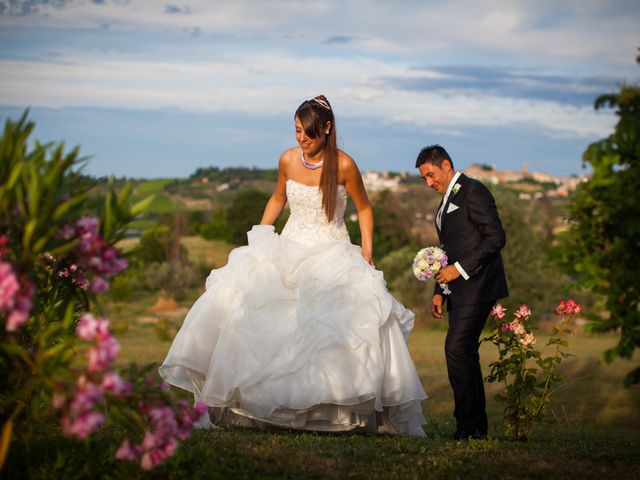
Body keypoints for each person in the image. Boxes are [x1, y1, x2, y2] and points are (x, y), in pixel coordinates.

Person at [159, 95, 426, 436]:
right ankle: (260, 407)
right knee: (263, 316)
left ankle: (331, 409)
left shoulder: (344, 165)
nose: (302, 139)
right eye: (297, 131)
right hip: (290, 244)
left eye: (309, 133)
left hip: (331, 248)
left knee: (335, 328)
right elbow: (278, 198)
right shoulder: (287, 159)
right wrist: (260, 235)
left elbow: (365, 208)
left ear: (327, 129)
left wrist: (368, 251)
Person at [415, 145, 508, 440]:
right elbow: (447, 251)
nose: (429, 183)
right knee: (465, 354)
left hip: (479, 286)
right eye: (424, 179)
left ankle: (466, 427)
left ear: (445, 164)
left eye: (430, 175)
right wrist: (439, 290)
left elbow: (496, 237)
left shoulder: (473, 190)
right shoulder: (445, 203)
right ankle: (475, 428)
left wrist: (459, 270)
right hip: (457, 291)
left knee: (455, 349)